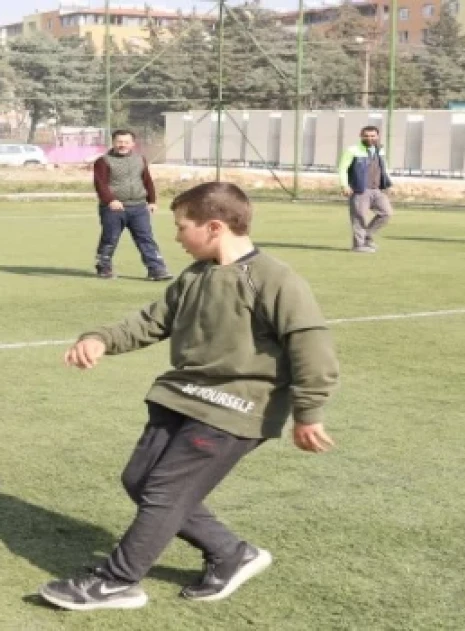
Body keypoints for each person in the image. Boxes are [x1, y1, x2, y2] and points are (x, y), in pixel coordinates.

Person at [38, 181, 340, 611]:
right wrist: (100, 339)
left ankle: (117, 581)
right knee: (140, 480)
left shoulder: (273, 278)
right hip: (181, 397)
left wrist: (309, 412)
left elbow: (311, 345)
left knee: (164, 490)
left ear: (214, 227)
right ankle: (232, 554)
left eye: (182, 227)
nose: (176, 236)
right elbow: (150, 321)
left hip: (235, 407)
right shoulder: (195, 276)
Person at [92, 130, 172, 280]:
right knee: (110, 238)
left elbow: (147, 180)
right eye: (119, 142)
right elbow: (100, 184)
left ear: (132, 144)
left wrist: (152, 201)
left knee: (146, 238)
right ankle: (103, 267)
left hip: (139, 207)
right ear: (114, 142)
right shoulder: (103, 161)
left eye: (126, 142)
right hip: (113, 209)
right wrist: (110, 200)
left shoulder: (140, 159)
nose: (122, 145)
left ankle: (157, 269)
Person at [337, 126, 393, 253]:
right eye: (366, 135)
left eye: (372, 136)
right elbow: (342, 169)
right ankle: (358, 245)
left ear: (377, 136)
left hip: (377, 189)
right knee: (359, 217)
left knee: (386, 213)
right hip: (359, 189)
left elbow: (384, 168)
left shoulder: (380, 150)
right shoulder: (353, 150)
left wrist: (388, 183)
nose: (369, 138)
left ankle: (367, 236)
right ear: (361, 136)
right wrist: (344, 185)